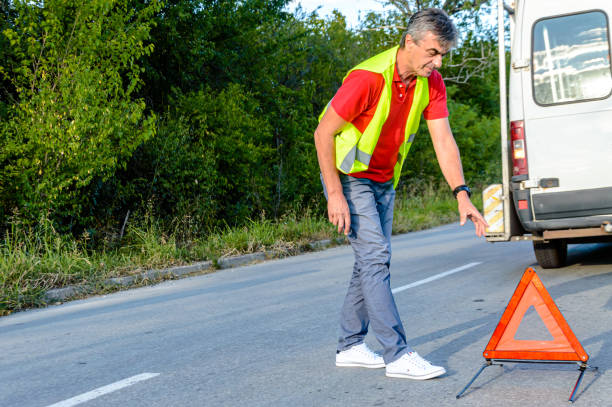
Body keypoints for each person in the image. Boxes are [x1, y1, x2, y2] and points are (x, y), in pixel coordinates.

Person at [313, 8, 489, 380]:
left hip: (383, 180)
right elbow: (323, 133)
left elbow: (443, 139)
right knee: (376, 258)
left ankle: (349, 345)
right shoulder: (367, 79)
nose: (437, 61)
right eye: (432, 52)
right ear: (409, 42)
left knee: (370, 262)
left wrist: (461, 193)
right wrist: (334, 193)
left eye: (443, 54)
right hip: (351, 178)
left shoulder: (431, 83)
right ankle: (397, 354)